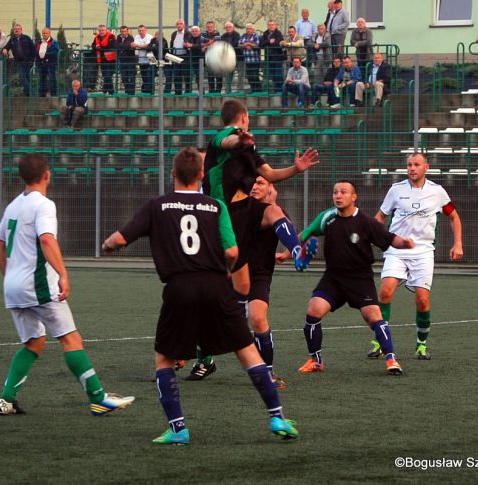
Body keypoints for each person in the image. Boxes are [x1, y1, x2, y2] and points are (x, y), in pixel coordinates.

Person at [102, 147, 299, 445]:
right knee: (247, 352)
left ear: (172, 174)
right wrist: (223, 268)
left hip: (179, 288)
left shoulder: (158, 205)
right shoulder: (216, 206)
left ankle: (178, 428)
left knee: (165, 359)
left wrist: (109, 245)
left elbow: (119, 239)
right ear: (201, 176)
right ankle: (277, 417)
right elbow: (232, 252)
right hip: (216, 285)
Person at [0, 153, 135, 417]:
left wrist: (9, 274)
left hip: (13, 286)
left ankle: (7, 399)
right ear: (47, 174)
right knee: (71, 338)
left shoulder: (13, 205)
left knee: (34, 342)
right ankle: (99, 399)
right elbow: (47, 239)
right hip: (37, 285)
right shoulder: (43, 205)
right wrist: (63, 273)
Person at [187, 99, 319, 379]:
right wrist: (238, 138)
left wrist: (296, 168)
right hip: (221, 216)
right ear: (244, 117)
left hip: (244, 213)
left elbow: (270, 174)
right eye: (245, 123)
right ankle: (202, 356)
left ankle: (297, 250)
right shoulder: (225, 137)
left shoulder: (249, 149)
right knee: (206, 301)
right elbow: (227, 141)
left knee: (273, 211)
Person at [295, 181, 414, 376]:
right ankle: (315, 360)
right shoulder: (327, 217)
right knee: (313, 311)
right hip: (333, 278)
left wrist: (405, 243)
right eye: (335, 192)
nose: (338, 196)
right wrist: (285, 254)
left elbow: (390, 238)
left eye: (343, 192)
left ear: (354, 196)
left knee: (374, 317)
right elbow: (305, 234)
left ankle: (391, 359)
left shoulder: (366, 222)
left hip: (360, 278)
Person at [368, 153, 463, 361]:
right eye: (409, 165)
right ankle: (379, 342)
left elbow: (454, 217)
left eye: (416, 164)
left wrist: (458, 243)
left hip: (423, 252)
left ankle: (421, 345)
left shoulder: (437, 192)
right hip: (396, 249)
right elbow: (380, 217)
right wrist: (374, 236)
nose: (412, 168)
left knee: (422, 299)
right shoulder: (396, 190)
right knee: (385, 292)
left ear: (426, 167)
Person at [248, 177, 288, 388]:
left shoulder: (275, 212)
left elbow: (290, 234)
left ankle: (267, 372)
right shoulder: (239, 210)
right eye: (253, 182)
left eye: (261, 183)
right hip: (231, 274)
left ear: (271, 189)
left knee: (257, 318)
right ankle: (188, 356)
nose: (255, 186)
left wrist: (289, 253)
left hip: (259, 275)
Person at [4, 24, 35, 96]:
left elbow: (33, 49)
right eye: (15, 29)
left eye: (18, 29)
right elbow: (6, 47)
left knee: (28, 78)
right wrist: (5, 49)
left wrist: (32, 60)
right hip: (19, 62)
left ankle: (27, 94)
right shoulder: (12, 39)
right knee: (22, 77)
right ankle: (33, 94)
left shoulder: (26, 38)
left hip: (28, 61)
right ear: (13, 31)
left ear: (21, 30)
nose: (16, 30)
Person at [259, 20, 285, 89]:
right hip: (268, 58)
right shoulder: (265, 33)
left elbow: (279, 43)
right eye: (270, 25)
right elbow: (261, 44)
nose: (271, 26)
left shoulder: (278, 33)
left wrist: (270, 43)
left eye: (273, 25)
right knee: (271, 75)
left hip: (277, 57)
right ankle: (275, 89)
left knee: (278, 75)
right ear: (268, 26)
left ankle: (280, 89)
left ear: (275, 26)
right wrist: (269, 41)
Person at [36, 27, 60, 97]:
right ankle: (42, 94)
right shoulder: (39, 42)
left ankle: (53, 94)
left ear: (49, 34)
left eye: (46, 33)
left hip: (50, 64)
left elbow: (55, 52)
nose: (44, 35)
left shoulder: (54, 43)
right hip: (41, 64)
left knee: (52, 79)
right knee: (42, 79)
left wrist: (45, 55)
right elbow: (36, 51)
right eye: (43, 33)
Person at [93, 24, 116, 94]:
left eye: (103, 30)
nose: (101, 32)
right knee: (106, 76)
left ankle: (109, 91)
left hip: (110, 60)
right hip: (102, 60)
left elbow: (110, 46)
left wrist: (100, 48)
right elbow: (93, 45)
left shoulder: (111, 36)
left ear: (106, 30)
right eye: (100, 30)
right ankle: (107, 90)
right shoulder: (97, 37)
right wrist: (97, 48)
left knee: (108, 75)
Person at [169, 19, 191, 95]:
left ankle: (187, 91)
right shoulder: (174, 34)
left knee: (186, 74)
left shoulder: (187, 33)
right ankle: (177, 91)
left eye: (180, 24)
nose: (179, 25)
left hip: (185, 56)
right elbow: (172, 43)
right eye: (177, 24)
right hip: (175, 56)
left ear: (184, 25)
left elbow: (188, 43)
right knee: (176, 74)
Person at [238, 23, 261, 93]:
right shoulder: (243, 36)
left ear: (253, 30)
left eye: (250, 29)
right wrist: (245, 45)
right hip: (247, 60)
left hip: (255, 60)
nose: (248, 30)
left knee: (255, 76)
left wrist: (248, 44)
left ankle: (258, 90)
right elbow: (239, 44)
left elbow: (257, 44)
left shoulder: (255, 36)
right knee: (249, 77)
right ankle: (253, 89)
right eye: (247, 29)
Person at [201, 21, 222, 93]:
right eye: (208, 27)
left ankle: (218, 91)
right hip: (208, 58)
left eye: (211, 27)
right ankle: (211, 91)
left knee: (218, 75)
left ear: (214, 27)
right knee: (210, 75)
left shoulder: (217, 33)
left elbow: (216, 43)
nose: (209, 28)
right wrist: (209, 43)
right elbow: (201, 43)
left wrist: (206, 46)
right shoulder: (203, 33)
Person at [132, 24, 153, 94]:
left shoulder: (149, 37)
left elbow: (148, 46)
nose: (141, 32)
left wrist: (139, 45)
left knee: (149, 76)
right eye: (139, 30)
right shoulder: (137, 37)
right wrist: (141, 46)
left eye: (142, 30)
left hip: (149, 60)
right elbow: (134, 46)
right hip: (141, 60)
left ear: (146, 30)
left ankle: (149, 91)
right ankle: (145, 90)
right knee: (143, 76)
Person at [220, 22, 241, 92]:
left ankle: (240, 90)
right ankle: (228, 90)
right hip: (228, 58)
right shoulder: (224, 36)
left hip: (238, 57)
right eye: (227, 27)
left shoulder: (237, 35)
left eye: (230, 27)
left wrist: (227, 45)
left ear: (233, 27)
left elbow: (235, 44)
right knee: (228, 75)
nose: (228, 28)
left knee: (240, 74)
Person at [116, 25, 137, 95]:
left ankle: (131, 92)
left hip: (130, 60)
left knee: (131, 76)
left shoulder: (131, 38)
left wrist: (122, 46)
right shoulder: (119, 37)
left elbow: (128, 46)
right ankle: (126, 91)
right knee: (124, 77)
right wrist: (125, 46)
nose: (123, 33)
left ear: (127, 31)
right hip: (122, 60)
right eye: (122, 31)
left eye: (125, 31)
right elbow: (116, 46)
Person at [185, 26, 205, 91]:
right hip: (191, 60)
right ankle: (188, 91)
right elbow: (186, 45)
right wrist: (186, 45)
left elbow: (201, 45)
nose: (194, 32)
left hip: (200, 60)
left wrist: (192, 46)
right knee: (188, 76)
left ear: (199, 32)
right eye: (193, 31)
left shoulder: (202, 38)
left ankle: (201, 92)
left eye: (196, 31)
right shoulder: (190, 38)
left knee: (199, 77)